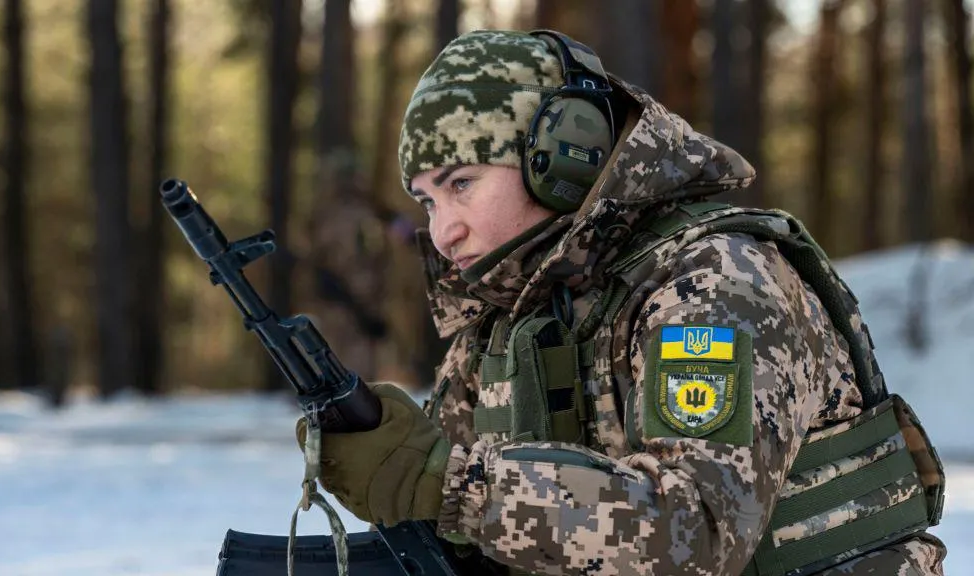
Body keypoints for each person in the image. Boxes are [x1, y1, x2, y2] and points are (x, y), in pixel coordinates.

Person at [297, 29, 947, 575]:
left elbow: (695, 532)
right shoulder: (509, 321)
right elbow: (464, 530)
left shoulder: (715, 283)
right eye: (427, 202)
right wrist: (389, 462)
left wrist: (449, 485)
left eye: (462, 184)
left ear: (563, 156)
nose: (443, 232)